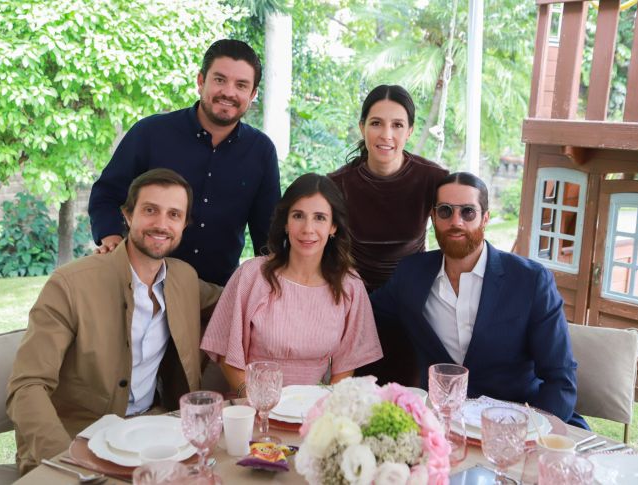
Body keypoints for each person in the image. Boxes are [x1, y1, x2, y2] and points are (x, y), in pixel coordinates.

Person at [7, 169, 222, 474]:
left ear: (184, 224)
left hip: (151, 433)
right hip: (77, 442)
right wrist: (63, 461)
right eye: (150, 211)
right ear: (127, 215)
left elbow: (233, 302)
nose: (161, 224)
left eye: (173, 214)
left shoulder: (183, 278)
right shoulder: (70, 284)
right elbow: (26, 385)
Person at [370, 172, 589, 429]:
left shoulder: (530, 282)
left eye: (468, 212)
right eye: (445, 211)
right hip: (446, 427)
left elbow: (560, 380)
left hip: (522, 423)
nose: (456, 222)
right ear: (433, 217)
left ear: (485, 218)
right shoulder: (411, 275)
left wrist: (530, 433)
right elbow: (362, 311)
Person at [88, 39, 281, 286]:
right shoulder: (151, 133)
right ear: (201, 81)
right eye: (219, 80)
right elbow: (106, 194)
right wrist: (112, 240)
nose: (229, 92)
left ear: (252, 94)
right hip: (140, 284)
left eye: (241, 85)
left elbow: (267, 234)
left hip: (215, 296)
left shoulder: (261, 151)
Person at [200, 173, 383, 392]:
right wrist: (255, 400)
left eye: (320, 218)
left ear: (334, 227)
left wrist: (325, 409)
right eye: (298, 216)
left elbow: (347, 363)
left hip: (314, 412)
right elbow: (225, 352)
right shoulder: (252, 275)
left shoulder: (349, 285)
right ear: (286, 223)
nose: (308, 228)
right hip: (254, 407)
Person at [328, 84, 448, 385]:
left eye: (397, 125)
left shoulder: (432, 179)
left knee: (408, 399)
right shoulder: (337, 184)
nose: (386, 135)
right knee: (356, 398)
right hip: (354, 304)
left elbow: (457, 235)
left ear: (409, 131)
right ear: (362, 127)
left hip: (413, 303)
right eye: (376, 123)